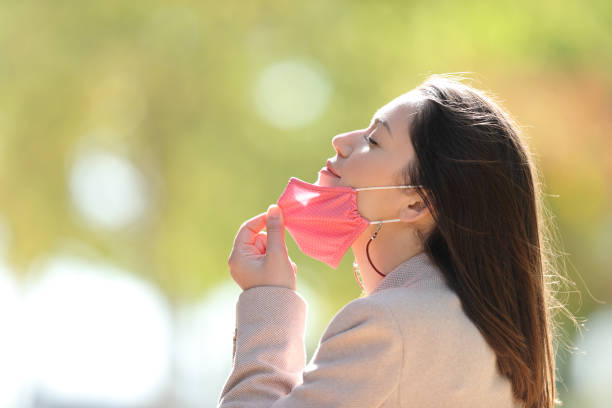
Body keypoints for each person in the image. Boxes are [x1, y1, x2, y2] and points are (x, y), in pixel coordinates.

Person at [218, 74, 567, 407]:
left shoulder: (388, 326)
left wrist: (267, 300)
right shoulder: (480, 332)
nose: (342, 141)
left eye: (373, 140)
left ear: (417, 202)